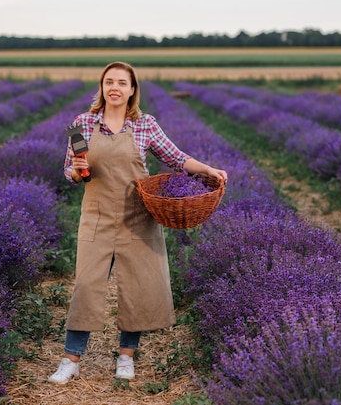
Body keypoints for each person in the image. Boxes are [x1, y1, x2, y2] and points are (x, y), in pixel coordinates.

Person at [48, 61, 228, 384]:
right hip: (97, 216)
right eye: (108, 82)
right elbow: (71, 172)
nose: (114, 87)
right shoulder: (81, 124)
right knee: (86, 286)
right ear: (102, 88)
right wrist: (77, 170)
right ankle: (70, 360)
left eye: (121, 82)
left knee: (136, 287)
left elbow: (175, 157)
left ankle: (126, 357)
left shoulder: (145, 125)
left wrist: (207, 170)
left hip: (137, 218)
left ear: (132, 90)